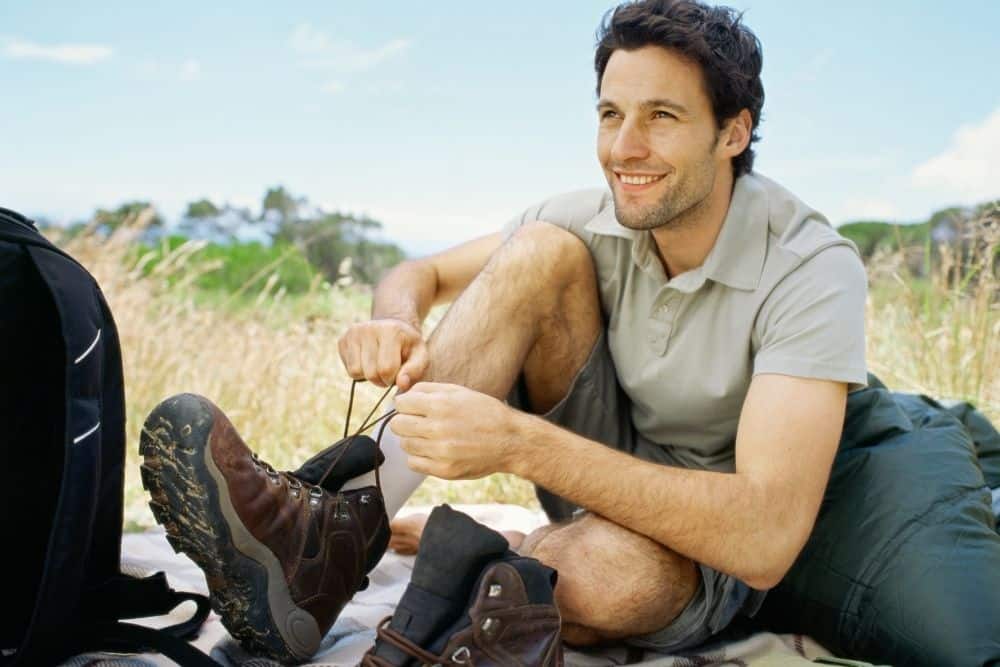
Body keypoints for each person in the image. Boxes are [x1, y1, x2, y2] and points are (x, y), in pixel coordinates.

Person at [141, 1, 1000, 664]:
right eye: (609, 113)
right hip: (597, 451)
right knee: (538, 252)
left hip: (704, 541)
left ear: (734, 133)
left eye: (662, 116)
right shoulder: (593, 217)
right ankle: (332, 536)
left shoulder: (813, 265)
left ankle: (487, 557)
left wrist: (519, 446)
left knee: (600, 574)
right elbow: (424, 272)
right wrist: (393, 322)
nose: (625, 146)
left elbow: (766, 539)